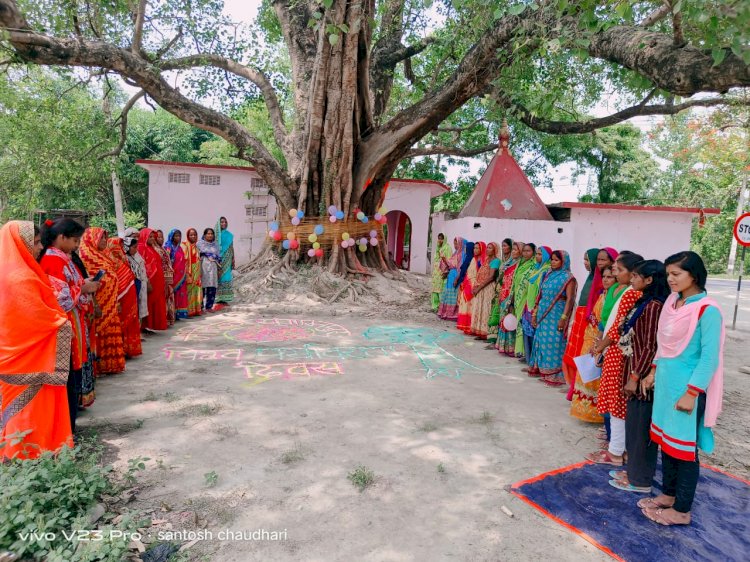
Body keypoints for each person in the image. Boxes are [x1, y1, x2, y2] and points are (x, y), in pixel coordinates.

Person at [639, 252, 724, 526]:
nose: (670, 279)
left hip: (687, 388)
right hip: (665, 384)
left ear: (694, 275)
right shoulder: (673, 302)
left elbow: (709, 357)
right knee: (667, 443)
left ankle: (682, 510)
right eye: (668, 274)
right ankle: (668, 495)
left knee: (684, 450)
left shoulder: (708, 310)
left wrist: (691, 392)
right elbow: (661, 343)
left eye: (676, 274)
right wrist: (653, 371)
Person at [0, 221, 75, 459]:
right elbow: (37, 316)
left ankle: (14, 457)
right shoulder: (21, 277)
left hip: (11, 356)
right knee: (30, 412)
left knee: (13, 412)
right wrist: (62, 323)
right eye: (33, 243)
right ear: (19, 244)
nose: (39, 247)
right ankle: (33, 458)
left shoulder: (7, 272)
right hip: (29, 357)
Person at [608, 259, 669, 493]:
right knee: (634, 425)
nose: (631, 280)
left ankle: (640, 481)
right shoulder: (644, 302)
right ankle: (633, 472)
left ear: (649, 280)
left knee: (641, 428)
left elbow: (649, 346)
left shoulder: (653, 306)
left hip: (642, 377)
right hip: (634, 369)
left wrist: (635, 376)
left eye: (635, 276)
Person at [38, 219, 99, 431]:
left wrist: (85, 286)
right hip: (65, 326)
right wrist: (83, 289)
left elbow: (72, 288)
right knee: (68, 381)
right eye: (74, 240)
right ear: (61, 238)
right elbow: (60, 300)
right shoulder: (53, 261)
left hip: (73, 323)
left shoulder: (64, 259)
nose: (77, 245)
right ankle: (66, 430)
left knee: (72, 380)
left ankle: (69, 427)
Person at [587, 252, 644, 466]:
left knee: (616, 402)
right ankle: (622, 449)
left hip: (616, 352)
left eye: (619, 270)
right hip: (620, 351)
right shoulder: (631, 291)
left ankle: (615, 452)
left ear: (633, 273)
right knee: (619, 402)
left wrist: (601, 346)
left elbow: (618, 326)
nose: (614, 273)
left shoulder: (630, 293)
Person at [570, 265, 616, 423]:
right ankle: (585, 411)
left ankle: (598, 415)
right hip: (591, 337)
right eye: (604, 276)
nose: (605, 279)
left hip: (602, 339)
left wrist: (598, 341)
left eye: (610, 277)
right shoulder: (602, 294)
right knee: (587, 372)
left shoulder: (614, 297)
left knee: (598, 375)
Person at [79, 227, 126, 375]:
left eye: (105, 238)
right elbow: (88, 283)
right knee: (99, 335)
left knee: (111, 332)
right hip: (98, 305)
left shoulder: (104, 256)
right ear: (92, 239)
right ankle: (100, 366)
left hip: (111, 303)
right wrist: (96, 304)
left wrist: (115, 300)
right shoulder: (86, 258)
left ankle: (111, 364)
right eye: (101, 238)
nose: (104, 240)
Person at [527, 250, 577, 385]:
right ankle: (543, 370)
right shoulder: (548, 274)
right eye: (552, 260)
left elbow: (570, 299)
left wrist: (563, 317)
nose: (553, 262)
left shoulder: (568, 278)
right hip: (543, 314)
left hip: (556, 314)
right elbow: (540, 295)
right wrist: (535, 313)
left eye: (556, 260)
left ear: (564, 261)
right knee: (542, 342)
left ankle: (556, 374)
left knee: (555, 343)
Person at [106, 237, 142, 359]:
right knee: (122, 324)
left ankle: (129, 349)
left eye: (121, 246)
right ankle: (122, 349)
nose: (119, 249)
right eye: (117, 246)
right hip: (121, 299)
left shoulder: (123, 260)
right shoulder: (110, 262)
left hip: (129, 297)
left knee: (131, 322)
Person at [521, 246, 551, 374]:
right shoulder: (536, 269)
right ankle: (530, 362)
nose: (537, 256)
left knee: (535, 337)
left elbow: (541, 291)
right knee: (527, 335)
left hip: (536, 307)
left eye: (540, 254)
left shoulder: (546, 270)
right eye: (537, 254)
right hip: (528, 305)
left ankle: (536, 364)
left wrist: (535, 308)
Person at [509, 243, 536, 360]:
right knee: (519, 323)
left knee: (522, 323)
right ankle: (519, 350)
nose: (525, 253)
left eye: (528, 251)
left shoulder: (534, 266)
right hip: (518, 299)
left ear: (533, 253)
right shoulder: (520, 264)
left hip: (526, 299)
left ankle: (524, 351)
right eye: (524, 251)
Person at [493, 240, 521, 353]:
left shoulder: (519, 265)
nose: (513, 252)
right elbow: (501, 279)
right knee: (503, 320)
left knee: (510, 320)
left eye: (515, 249)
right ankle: (502, 345)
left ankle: (511, 347)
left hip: (511, 296)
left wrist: (512, 299)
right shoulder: (509, 262)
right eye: (513, 249)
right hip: (503, 294)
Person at [469, 241, 500, 339]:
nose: (487, 249)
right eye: (487, 247)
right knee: (480, 309)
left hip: (488, 288)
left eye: (490, 248)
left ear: (495, 250)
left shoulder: (496, 261)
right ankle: (479, 331)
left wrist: (479, 287)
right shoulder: (486, 260)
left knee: (486, 310)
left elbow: (491, 277)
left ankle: (486, 333)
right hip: (481, 287)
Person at [138, 229, 168, 330]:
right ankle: (146, 326)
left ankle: (154, 325)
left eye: (152, 237)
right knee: (149, 303)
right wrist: (148, 281)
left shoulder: (152, 248)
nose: (152, 239)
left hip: (158, 282)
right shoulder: (141, 248)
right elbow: (143, 267)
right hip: (150, 282)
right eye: (149, 237)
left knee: (157, 304)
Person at [457, 242, 484, 333]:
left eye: (477, 248)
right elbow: (468, 273)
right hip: (469, 283)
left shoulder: (484, 260)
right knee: (466, 304)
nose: (475, 250)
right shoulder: (473, 259)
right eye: (474, 248)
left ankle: (472, 326)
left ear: (481, 249)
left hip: (478, 285)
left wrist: (476, 284)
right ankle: (466, 326)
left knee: (473, 306)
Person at [437, 237, 466, 320]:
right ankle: (445, 312)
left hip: (455, 275)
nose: (455, 245)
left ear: (460, 244)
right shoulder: (455, 253)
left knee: (453, 292)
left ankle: (452, 313)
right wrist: (444, 260)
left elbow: (460, 268)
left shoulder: (462, 254)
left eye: (456, 243)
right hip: (451, 274)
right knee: (447, 291)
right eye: (454, 243)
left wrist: (457, 278)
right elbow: (450, 264)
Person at [124, 236, 149, 325]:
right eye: (134, 247)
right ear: (127, 247)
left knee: (137, 305)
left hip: (138, 284)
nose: (136, 249)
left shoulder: (136, 257)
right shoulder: (125, 259)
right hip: (131, 285)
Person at [165, 229, 188, 320]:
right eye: (176, 236)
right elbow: (167, 262)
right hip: (173, 275)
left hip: (181, 276)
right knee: (173, 294)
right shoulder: (168, 247)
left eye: (179, 236)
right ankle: (172, 314)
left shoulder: (180, 248)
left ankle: (179, 313)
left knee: (181, 294)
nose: (178, 238)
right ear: (171, 236)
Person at [197, 227, 221, 312]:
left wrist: (219, 269)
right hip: (203, 266)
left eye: (211, 234)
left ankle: (209, 307)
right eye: (208, 233)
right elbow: (196, 255)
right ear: (204, 235)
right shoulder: (199, 244)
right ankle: (200, 307)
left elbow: (218, 257)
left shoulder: (216, 245)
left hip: (213, 267)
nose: (210, 235)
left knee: (212, 287)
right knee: (202, 287)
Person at [155, 230, 175, 326]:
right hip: (162, 278)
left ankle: (167, 319)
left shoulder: (163, 249)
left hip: (168, 278)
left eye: (162, 237)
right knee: (163, 299)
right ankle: (162, 321)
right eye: (158, 237)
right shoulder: (155, 250)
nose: (161, 239)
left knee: (168, 299)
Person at [181, 228, 203, 317]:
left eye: (194, 234)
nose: (193, 236)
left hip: (197, 271)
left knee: (197, 289)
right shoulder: (184, 245)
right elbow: (184, 260)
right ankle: (189, 311)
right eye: (191, 235)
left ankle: (196, 310)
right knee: (189, 290)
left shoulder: (197, 246)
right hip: (189, 271)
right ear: (187, 235)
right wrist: (187, 273)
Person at [215, 216, 235, 309]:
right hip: (218, 260)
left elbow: (231, 247)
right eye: (222, 222)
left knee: (226, 277)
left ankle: (225, 298)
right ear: (218, 224)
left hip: (228, 259)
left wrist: (233, 259)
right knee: (219, 278)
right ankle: (219, 298)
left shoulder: (229, 235)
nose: (224, 224)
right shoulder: (215, 235)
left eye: (225, 222)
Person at [430, 233, 453, 312]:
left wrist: (446, 272)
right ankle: (434, 306)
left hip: (442, 272)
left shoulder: (447, 248)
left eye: (441, 238)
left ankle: (441, 307)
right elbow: (436, 260)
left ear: (445, 239)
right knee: (434, 289)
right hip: (436, 273)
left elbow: (449, 261)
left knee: (441, 290)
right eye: (439, 238)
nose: (440, 240)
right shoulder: (438, 248)